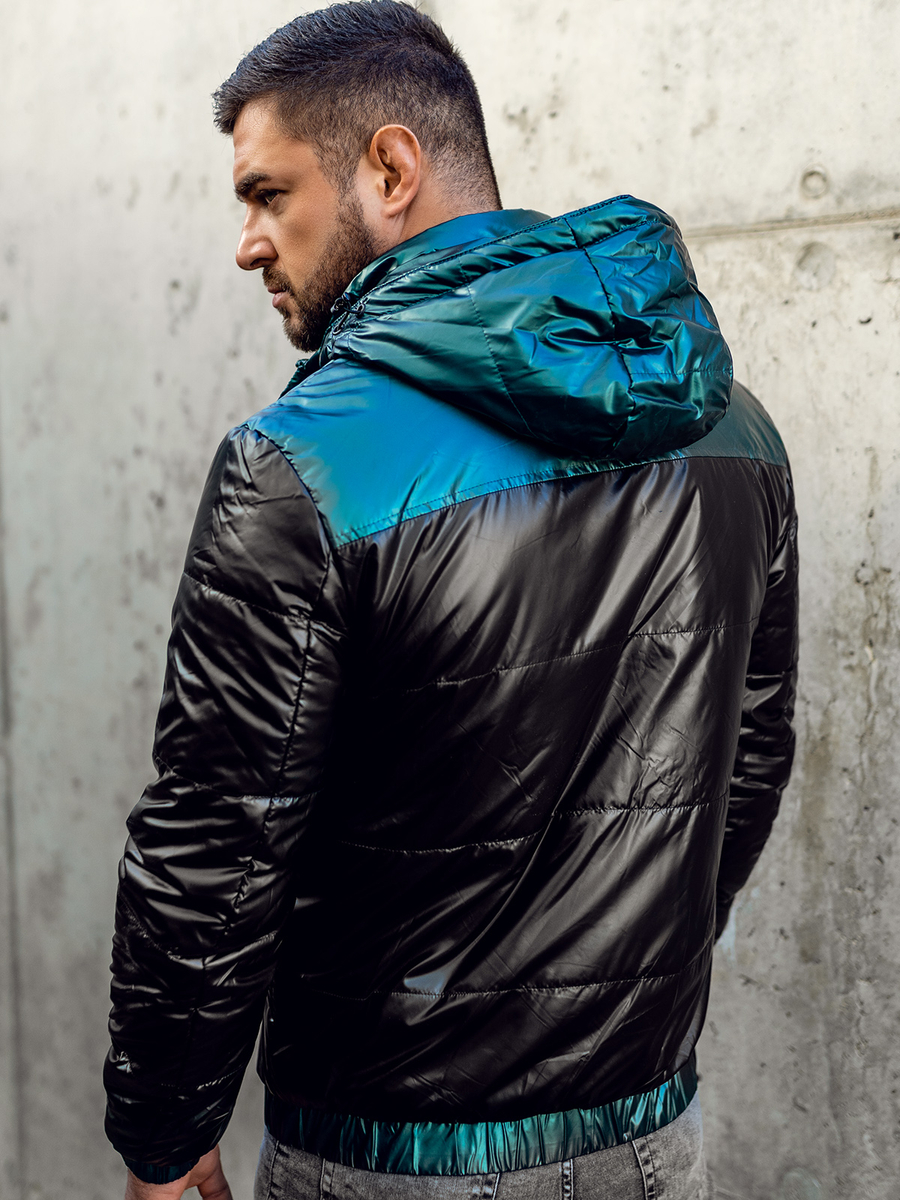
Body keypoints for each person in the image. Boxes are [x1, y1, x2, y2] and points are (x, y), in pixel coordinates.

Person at [104, 3, 798, 1198]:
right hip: (651, 1141)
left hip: (392, 1155)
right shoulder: (734, 429)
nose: (248, 244)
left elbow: (216, 843)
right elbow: (750, 760)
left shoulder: (301, 465)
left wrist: (165, 1140)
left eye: (268, 195)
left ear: (389, 169)